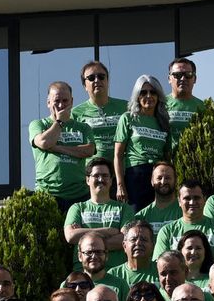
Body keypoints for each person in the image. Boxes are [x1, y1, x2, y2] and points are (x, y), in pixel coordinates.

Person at [28, 81, 95, 213]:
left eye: (65, 100)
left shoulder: (83, 127)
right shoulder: (38, 124)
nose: (61, 105)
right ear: (48, 102)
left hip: (79, 195)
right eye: (56, 100)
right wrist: (59, 122)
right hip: (47, 194)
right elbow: (44, 142)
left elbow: (89, 150)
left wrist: (57, 148)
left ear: (72, 101)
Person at [113, 75, 173, 208]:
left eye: (153, 92)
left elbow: (167, 156)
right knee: (137, 221)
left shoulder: (164, 122)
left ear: (159, 96)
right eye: (143, 92)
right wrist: (120, 185)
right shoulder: (127, 118)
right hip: (135, 175)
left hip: (159, 176)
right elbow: (118, 155)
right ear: (137, 96)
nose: (149, 96)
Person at [64, 158, 135, 269]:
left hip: (116, 271)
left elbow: (124, 240)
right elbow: (71, 236)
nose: (101, 179)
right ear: (88, 180)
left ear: (111, 180)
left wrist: (84, 237)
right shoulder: (77, 208)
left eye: (105, 176)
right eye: (96, 175)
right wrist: (107, 231)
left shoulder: (124, 209)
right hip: (84, 273)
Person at [72, 61, 128, 174]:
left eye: (101, 76)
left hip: (123, 172)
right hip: (94, 175)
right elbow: (73, 147)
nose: (97, 80)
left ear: (108, 81)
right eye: (91, 78)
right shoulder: (75, 113)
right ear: (84, 86)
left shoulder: (126, 107)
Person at [152, 178, 214, 260]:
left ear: (204, 199)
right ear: (179, 201)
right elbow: (160, 264)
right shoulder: (167, 231)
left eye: (196, 198)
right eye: (187, 198)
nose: (192, 202)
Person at [76, 232, 129, 301]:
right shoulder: (70, 285)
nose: (94, 256)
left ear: (106, 255)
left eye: (99, 252)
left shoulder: (120, 286)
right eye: (89, 252)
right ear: (80, 256)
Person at [135, 161, 183, 234]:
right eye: (159, 178)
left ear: (175, 180)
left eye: (168, 178)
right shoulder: (141, 217)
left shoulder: (184, 210)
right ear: (152, 181)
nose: (163, 182)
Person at [109, 220, 158, 291]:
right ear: (124, 246)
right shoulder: (113, 275)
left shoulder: (161, 271)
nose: (138, 243)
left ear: (152, 246)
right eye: (133, 239)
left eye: (144, 239)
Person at [164, 57, 203, 139]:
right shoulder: (160, 104)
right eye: (177, 75)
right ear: (169, 79)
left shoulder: (203, 106)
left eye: (188, 75)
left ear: (195, 79)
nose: (183, 79)